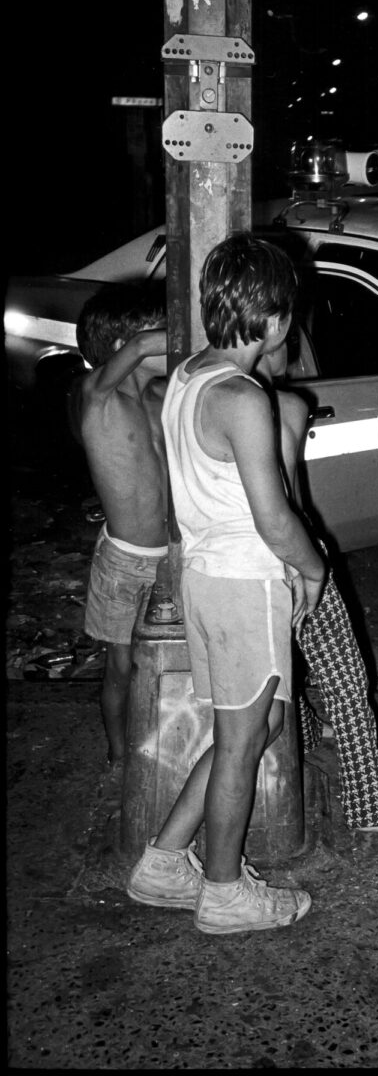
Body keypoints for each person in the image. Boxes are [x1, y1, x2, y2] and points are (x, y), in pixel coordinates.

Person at [126, 233, 319, 934]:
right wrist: (314, 565)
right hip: (244, 583)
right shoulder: (243, 397)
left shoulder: (189, 375)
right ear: (273, 319)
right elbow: (274, 519)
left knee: (257, 723)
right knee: (242, 740)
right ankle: (224, 892)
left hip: (207, 577)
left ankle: (163, 861)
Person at [258, 340, 378, 837]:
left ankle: (309, 731)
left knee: (281, 662)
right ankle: (372, 807)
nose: (293, 358)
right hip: (289, 556)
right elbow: (287, 503)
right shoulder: (284, 407)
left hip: (230, 564)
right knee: (347, 680)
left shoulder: (192, 395)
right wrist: (310, 565)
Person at [76, 281, 169, 765]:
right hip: (125, 562)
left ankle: (162, 747)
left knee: (172, 660)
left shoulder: (159, 397)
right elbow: (140, 346)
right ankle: (119, 759)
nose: (174, 339)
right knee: (121, 668)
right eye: (165, 330)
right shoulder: (98, 395)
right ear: (123, 348)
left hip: (171, 557)